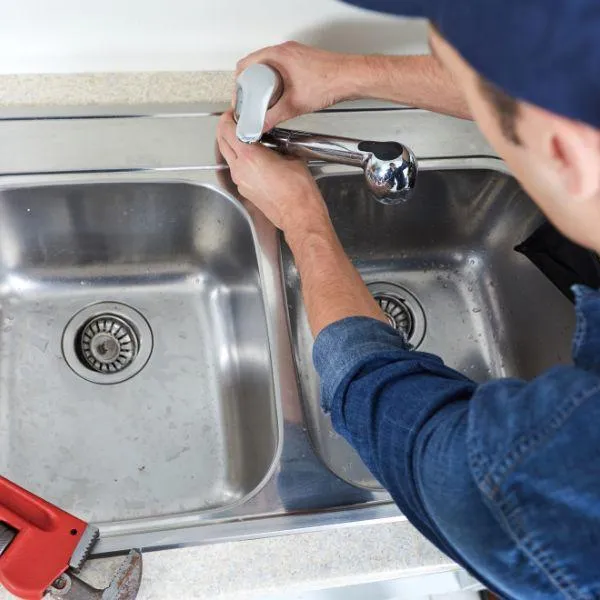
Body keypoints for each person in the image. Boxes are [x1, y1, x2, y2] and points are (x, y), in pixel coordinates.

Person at [216, 1, 600, 597]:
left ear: (565, 155)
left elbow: (390, 404)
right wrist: (349, 74)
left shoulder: (558, 470)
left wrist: (304, 222)